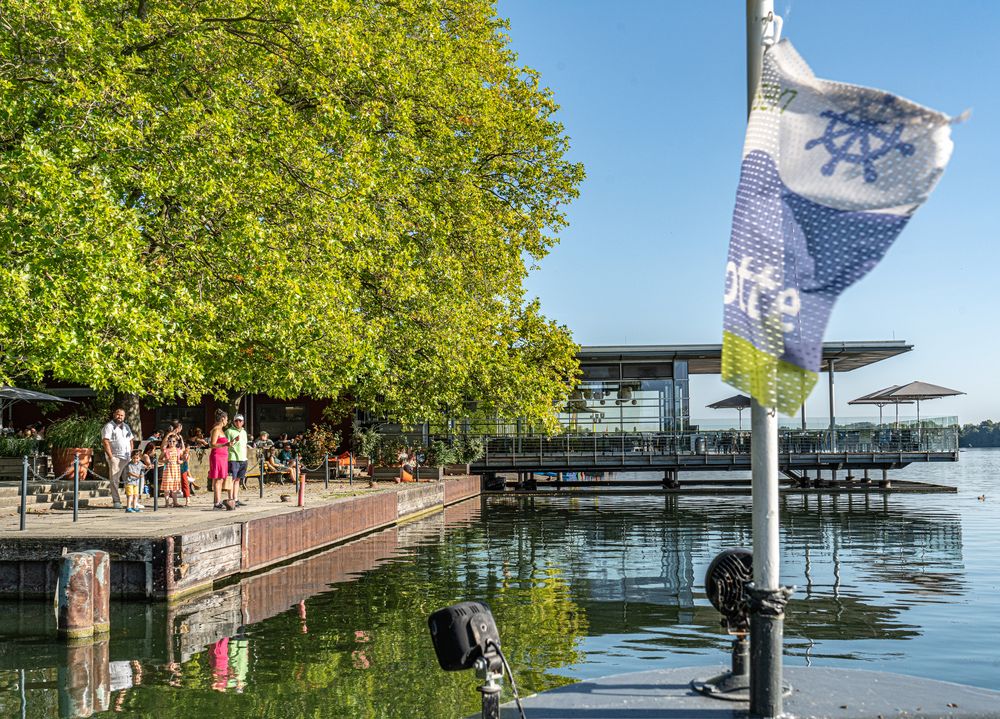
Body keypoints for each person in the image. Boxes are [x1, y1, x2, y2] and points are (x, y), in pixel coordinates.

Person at [100, 408, 132, 509]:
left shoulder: (126, 427)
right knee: (115, 480)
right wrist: (111, 456)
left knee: (129, 479)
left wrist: (130, 452)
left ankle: (131, 501)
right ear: (114, 414)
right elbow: (105, 441)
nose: (120, 417)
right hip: (116, 457)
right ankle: (116, 501)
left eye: (122, 415)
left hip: (126, 457)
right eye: (118, 415)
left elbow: (131, 440)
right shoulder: (109, 426)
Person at [209, 410, 234, 510]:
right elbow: (212, 444)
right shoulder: (216, 429)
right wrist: (225, 444)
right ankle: (217, 503)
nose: (227, 421)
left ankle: (218, 501)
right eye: (227, 419)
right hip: (217, 456)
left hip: (223, 456)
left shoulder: (221, 430)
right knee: (218, 479)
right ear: (223, 419)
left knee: (220, 479)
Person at [225, 414, 249, 503]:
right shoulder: (229, 431)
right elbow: (226, 445)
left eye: (240, 421)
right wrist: (235, 440)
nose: (238, 422)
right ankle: (230, 499)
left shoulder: (244, 432)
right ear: (233, 421)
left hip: (243, 458)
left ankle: (236, 498)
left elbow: (245, 445)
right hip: (233, 458)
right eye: (236, 421)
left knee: (238, 479)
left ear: (243, 422)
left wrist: (246, 457)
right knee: (232, 479)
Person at [160, 434, 183, 508]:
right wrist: (165, 461)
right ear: (168, 442)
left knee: (174, 487)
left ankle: (175, 502)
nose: (171, 443)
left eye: (173, 441)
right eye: (170, 441)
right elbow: (159, 459)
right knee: (167, 488)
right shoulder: (165, 450)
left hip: (176, 469)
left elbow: (183, 459)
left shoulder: (178, 450)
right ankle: (167, 503)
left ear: (176, 442)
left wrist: (180, 461)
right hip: (168, 469)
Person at [124, 449, 147, 513]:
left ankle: (134, 507)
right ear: (131, 458)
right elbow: (129, 473)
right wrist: (137, 475)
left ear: (139, 458)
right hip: (130, 482)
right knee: (130, 495)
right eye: (134, 458)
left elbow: (144, 466)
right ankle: (128, 507)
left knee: (135, 495)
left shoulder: (140, 463)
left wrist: (149, 466)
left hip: (136, 483)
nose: (135, 459)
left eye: (137, 458)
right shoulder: (129, 465)